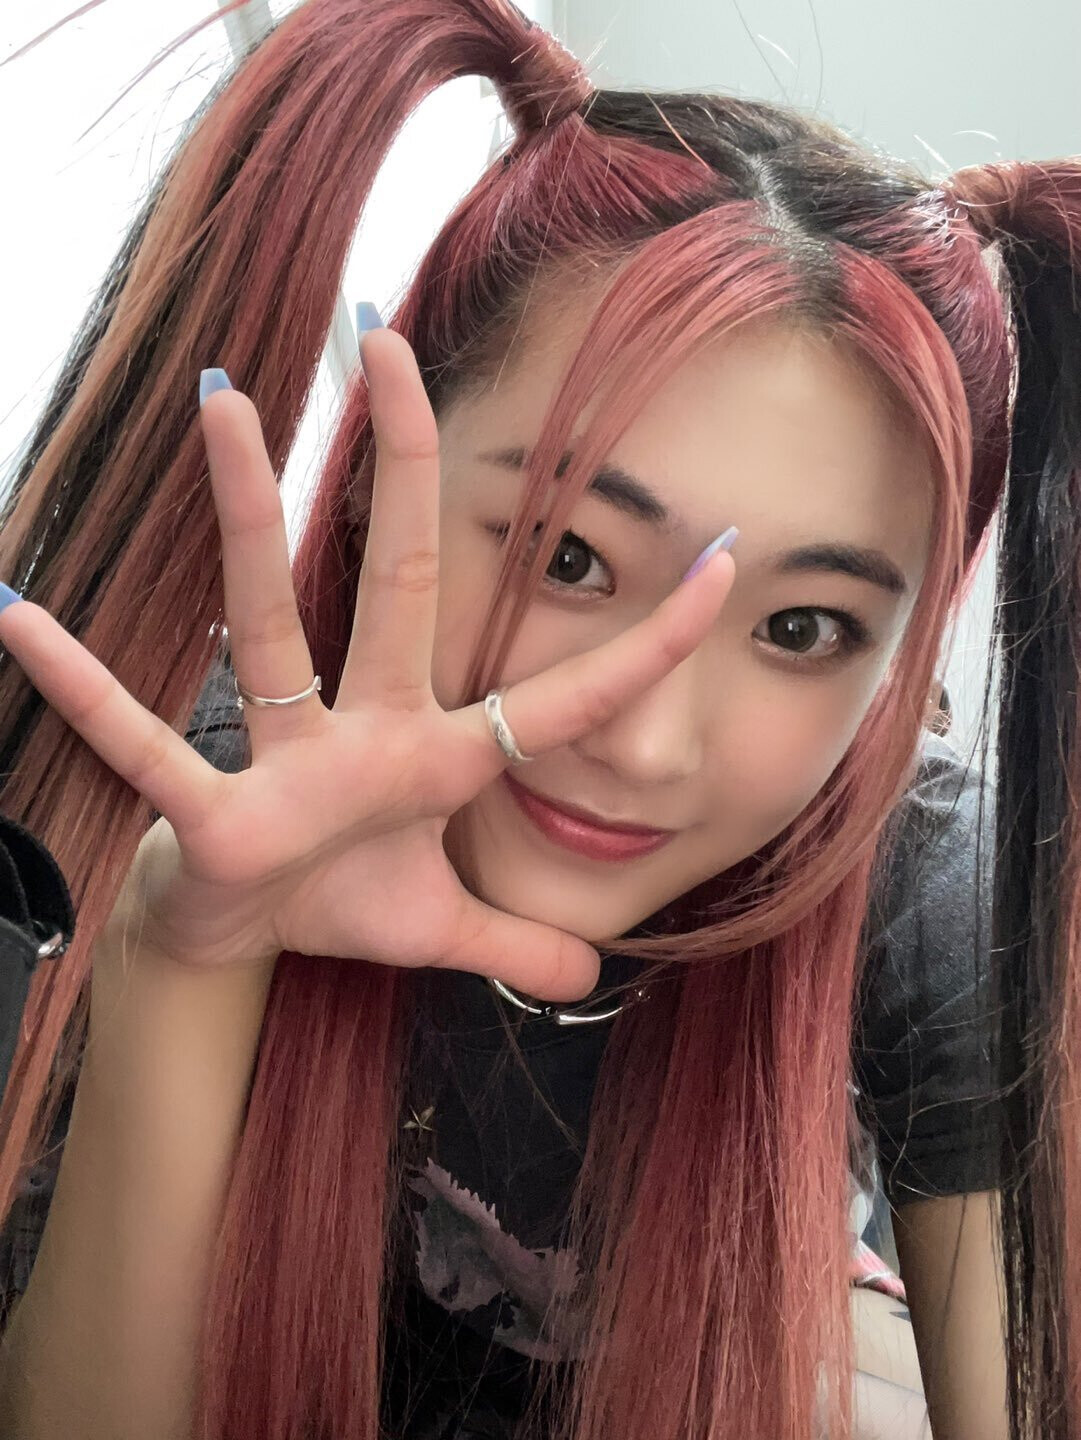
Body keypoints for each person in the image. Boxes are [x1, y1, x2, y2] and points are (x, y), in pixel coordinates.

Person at [0, 1, 1075, 1436]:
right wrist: (184, 948)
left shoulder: (932, 894)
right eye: (567, 555)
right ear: (381, 483)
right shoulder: (215, 789)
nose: (641, 743)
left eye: (802, 628)